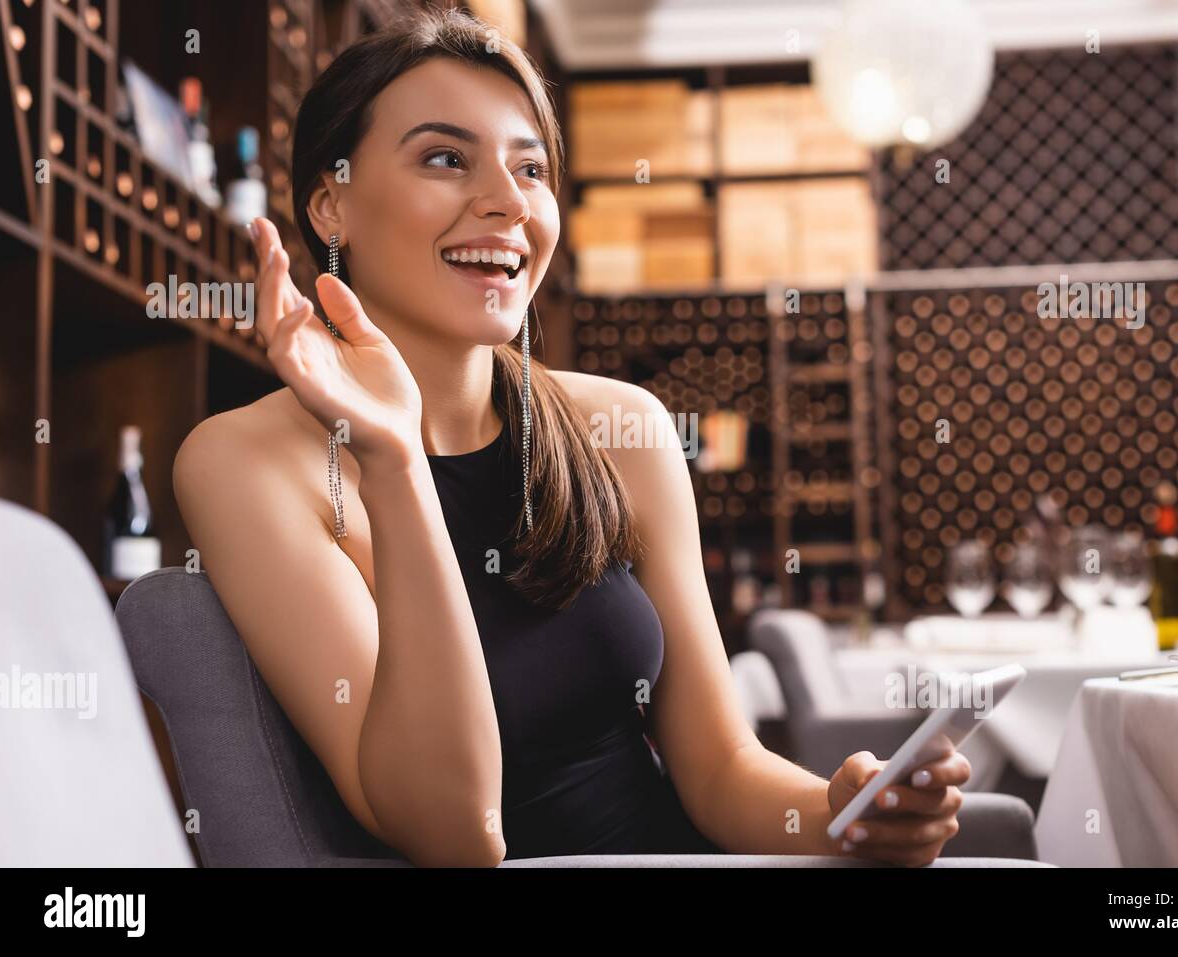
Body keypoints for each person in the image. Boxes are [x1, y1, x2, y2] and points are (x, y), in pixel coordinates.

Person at [172, 6, 969, 867]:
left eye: (532, 168)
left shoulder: (621, 429)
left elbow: (720, 768)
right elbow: (454, 833)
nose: (509, 203)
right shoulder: (243, 463)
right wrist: (394, 459)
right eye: (445, 158)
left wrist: (840, 813)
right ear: (332, 204)